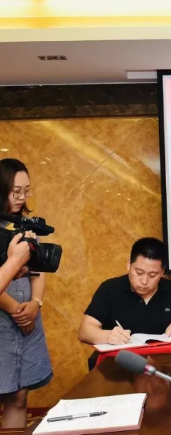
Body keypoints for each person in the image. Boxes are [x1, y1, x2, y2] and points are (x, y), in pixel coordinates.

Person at [78, 237, 171, 369]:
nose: (144, 281)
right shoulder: (110, 289)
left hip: (163, 366)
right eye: (139, 272)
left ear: (162, 272)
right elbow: (84, 332)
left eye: (152, 275)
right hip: (118, 367)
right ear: (129, 265)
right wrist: (108, 336)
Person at [0, 159, 52, 429]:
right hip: (4, 320)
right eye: (15, 191)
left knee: (19, 396)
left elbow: (38, 271)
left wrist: (34, 304)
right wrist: (15, 310)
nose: (22, 197)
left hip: (28, 320)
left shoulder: (27, 226)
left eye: (26, 190)